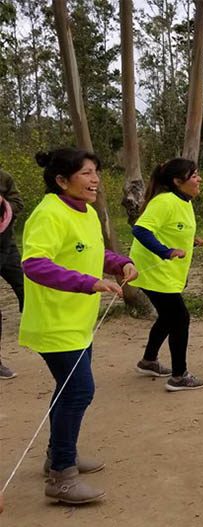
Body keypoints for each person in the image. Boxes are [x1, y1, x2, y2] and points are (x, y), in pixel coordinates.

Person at [20, 148, 138, 504]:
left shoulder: (86, 212)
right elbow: (34, 263)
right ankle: (61, 477)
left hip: (79, 322)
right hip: (55, 323)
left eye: (96, 172)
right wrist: (88, 283)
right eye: (86, 173)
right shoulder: (48, 213)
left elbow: (90, 252)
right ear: (61, 180)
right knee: (78, 391)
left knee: (69, 390)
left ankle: (58, 456)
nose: (95, 179)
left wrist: (119, 263)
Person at [129, 158, 203, 392]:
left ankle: (149, 361)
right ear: (177, 181)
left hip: (165, 272)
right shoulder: (165, 201)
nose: (199, 179)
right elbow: (141, 229)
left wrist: (189, 240)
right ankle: (179, 375)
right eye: (194, 175)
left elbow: (172, 227)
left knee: (167, 316)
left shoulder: (183, 200)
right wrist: (166, 251)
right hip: (154, 270)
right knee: (179, 318)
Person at [0, 168, 25, 379]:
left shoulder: (4, 177)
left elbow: (18, 203)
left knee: (26, 288)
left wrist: (3, 205)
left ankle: (38, 333)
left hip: (7, 246)